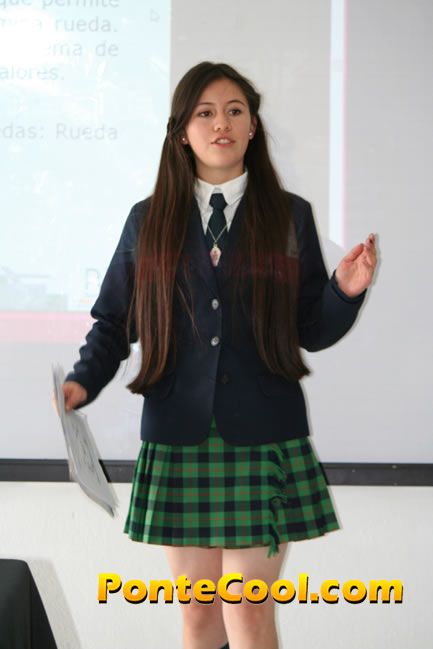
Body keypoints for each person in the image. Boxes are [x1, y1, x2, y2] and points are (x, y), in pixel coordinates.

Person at [58, 62, 377, 649]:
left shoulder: (289, 216)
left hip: (263, 433)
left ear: (253, 126)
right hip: (178, 432)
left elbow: (310, 329)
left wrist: (344, 291)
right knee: (199, 616)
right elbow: (115, 321)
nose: (221, 124)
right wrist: (83, 380)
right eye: (204, 113)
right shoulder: (148, 220)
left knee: (248, 611)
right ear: (182, 132)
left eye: (234, 111)